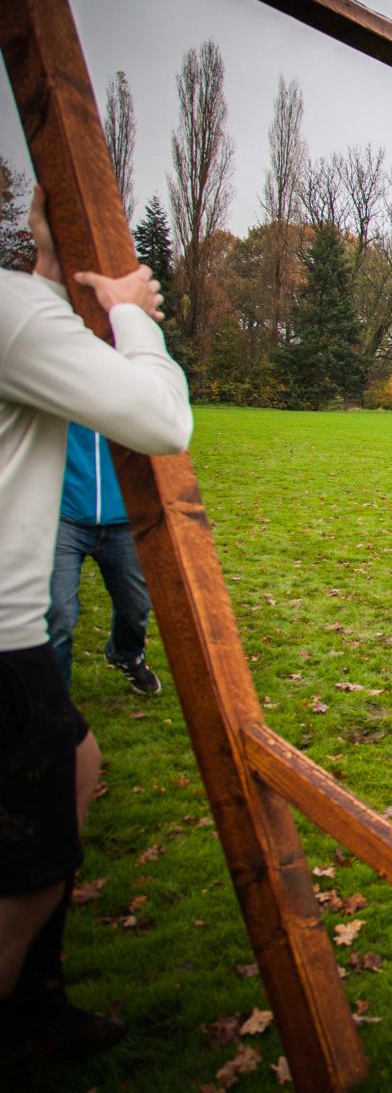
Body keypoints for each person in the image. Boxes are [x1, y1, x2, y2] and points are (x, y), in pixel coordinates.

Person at [1, 187, 192, 1070]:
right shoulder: (18, 319)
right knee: (34, 852)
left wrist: (60, 278)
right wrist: (132, 319)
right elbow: (160, 419)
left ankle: (35, 1008)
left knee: (74, 763)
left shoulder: (24, 310)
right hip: (3, 635)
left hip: (15, 629)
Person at [48, 424, 162, 694]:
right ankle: (55, 701)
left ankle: (126, 655)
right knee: (58, 614)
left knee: (136, 605)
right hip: (63, 517)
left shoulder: (124, 395)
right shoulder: (59, 392)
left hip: (124, 520)